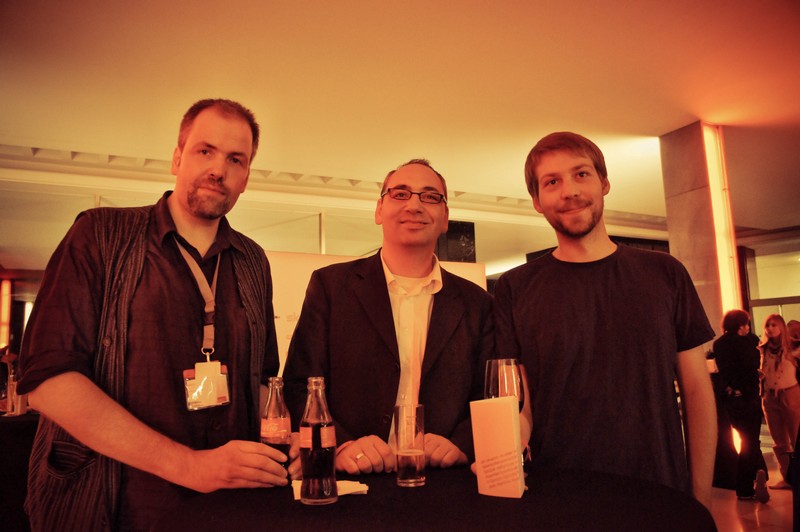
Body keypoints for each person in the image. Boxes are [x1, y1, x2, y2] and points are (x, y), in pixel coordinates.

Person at [16, 99, 293, 531]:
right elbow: (48, 382)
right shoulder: (99, 234)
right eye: (205, 151)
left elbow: (260, 382)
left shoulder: (252, 260)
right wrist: (190, 466)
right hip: (110, 506)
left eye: (235, 159)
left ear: (246, 178)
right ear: (177, 158)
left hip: (228, 508)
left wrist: (295, 442)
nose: (218, 169)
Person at [493, 132, 717, 509]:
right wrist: (503, 448)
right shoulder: (515, 287)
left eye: (581, 174)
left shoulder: (665, 273)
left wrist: (701, 503)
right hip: (558, 497)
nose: (569, 191)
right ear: (537, 201)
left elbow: (697, 392)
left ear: (604, 183)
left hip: (660, 493)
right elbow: (520, 404)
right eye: (552, 182)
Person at [283, 159, 493, 475]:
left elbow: (489, 393)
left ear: (445, 217)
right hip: (354, 475)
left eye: (430, 196)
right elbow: (301, 384)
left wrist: (462, 444)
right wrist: (341, 445)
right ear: (379, 210)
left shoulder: (478, 303)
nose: (414, 205)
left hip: (442, 476)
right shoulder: (331, 286)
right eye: (400, 194)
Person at [713, 309, 769, 502]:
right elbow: (751, 366)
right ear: (740, 324)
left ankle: (755, 478)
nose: (747, 327)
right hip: (749, 396)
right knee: (751, 440)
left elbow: (725, 371)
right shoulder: (750, 341)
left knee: (748, 440)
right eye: (745, 323)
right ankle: (750, 482)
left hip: (732, 399)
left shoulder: (719, 344)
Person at [758, 313, 800, 489]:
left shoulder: (792, 347)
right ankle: (788, 478)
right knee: (779, 441)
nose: (770, 328)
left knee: (796, 438)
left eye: (774, 325)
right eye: (767, 325)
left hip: (790, 393)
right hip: (769, 396)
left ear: (781, 327)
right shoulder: (762, 349)